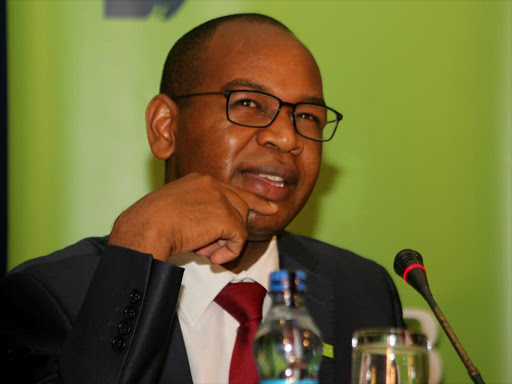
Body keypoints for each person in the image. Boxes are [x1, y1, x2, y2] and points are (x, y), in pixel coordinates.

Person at [0, 13, 404, 384]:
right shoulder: (52, 297)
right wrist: (142, 240)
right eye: (248, 104)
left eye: (307, 117)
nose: (287, 137)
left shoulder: (362, 291)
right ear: (165, 128)